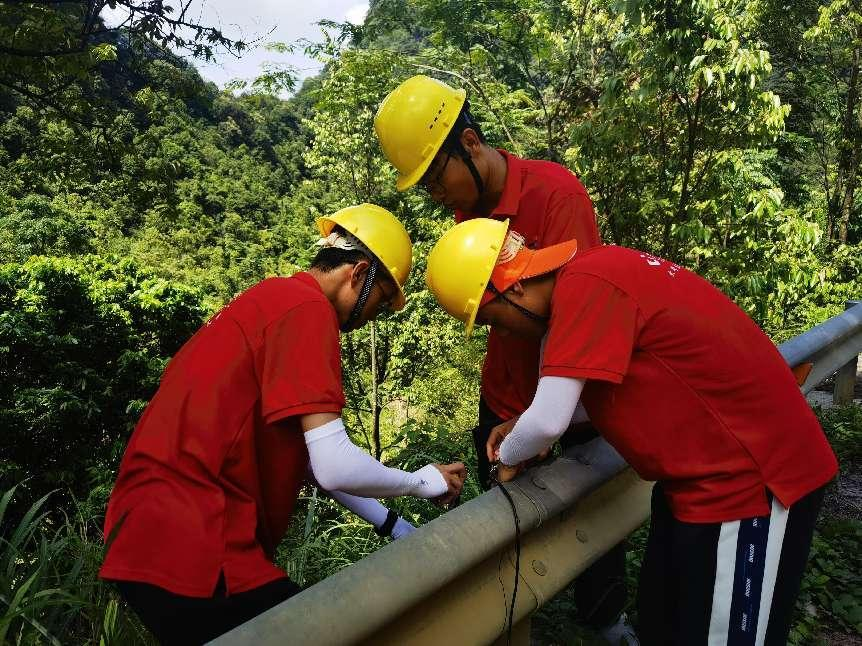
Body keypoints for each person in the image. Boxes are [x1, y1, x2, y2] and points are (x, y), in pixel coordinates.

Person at [425, 218, 839, 645]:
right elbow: (595, 396)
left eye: (498, 320)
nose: (507, 333)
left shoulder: (584, 286)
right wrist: (521, 426)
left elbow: (550, 420)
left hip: (751, 484)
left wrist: (507, 459)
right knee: (667, 627)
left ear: (512, 289)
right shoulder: (595, 273)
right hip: (698, 484)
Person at [100, 204, 467, 645]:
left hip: (151, 531)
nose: (377, 313)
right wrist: (421, 482)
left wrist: (394, 526)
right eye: (383, 301)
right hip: (198, 537)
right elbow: (334, 464)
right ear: (358, 274)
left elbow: (316, 464)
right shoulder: (307, 311)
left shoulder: (272, 299)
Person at [375, 74, 635, 643]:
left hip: (570, 398)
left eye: (434, 177)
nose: (435, 196)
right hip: (507, 394)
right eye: (422, 188)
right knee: (508, 523)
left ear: (469, 142)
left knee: (597, 508)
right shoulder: (468, 213)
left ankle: (606, 621)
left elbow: (577, 311)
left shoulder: (554, 194)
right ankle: (516, 622)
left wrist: (542, 421)